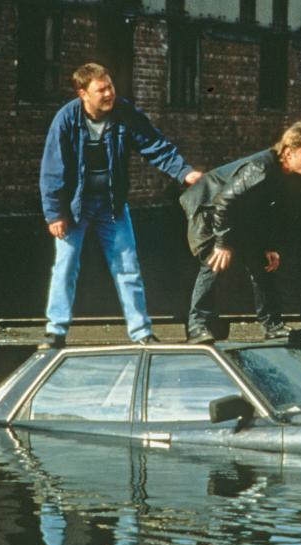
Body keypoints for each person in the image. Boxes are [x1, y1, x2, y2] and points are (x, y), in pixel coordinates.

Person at [38, 62, 202, 349]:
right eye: (101, 90)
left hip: (111, 204)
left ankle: (141, 332)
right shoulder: (65, 120)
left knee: (127, 266)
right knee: (65, 266)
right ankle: (56, 331)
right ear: (82, 93)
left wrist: (184, 172)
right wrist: (55, 213)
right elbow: (52, 170)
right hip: (75, 206)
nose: (109, 94)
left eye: (110, 86)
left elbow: (154, 144)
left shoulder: (124, 114)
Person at [179, 122, 301, 344]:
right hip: (208, 209)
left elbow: (267, 212)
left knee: (262, 262)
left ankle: (273, 326)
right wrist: (222, 243)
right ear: (289, 153)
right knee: (214, 263)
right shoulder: (260, 169)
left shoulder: (285, 174)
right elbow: (224, 202)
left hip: (236, 214)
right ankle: (197, 327)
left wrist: (269, 246)